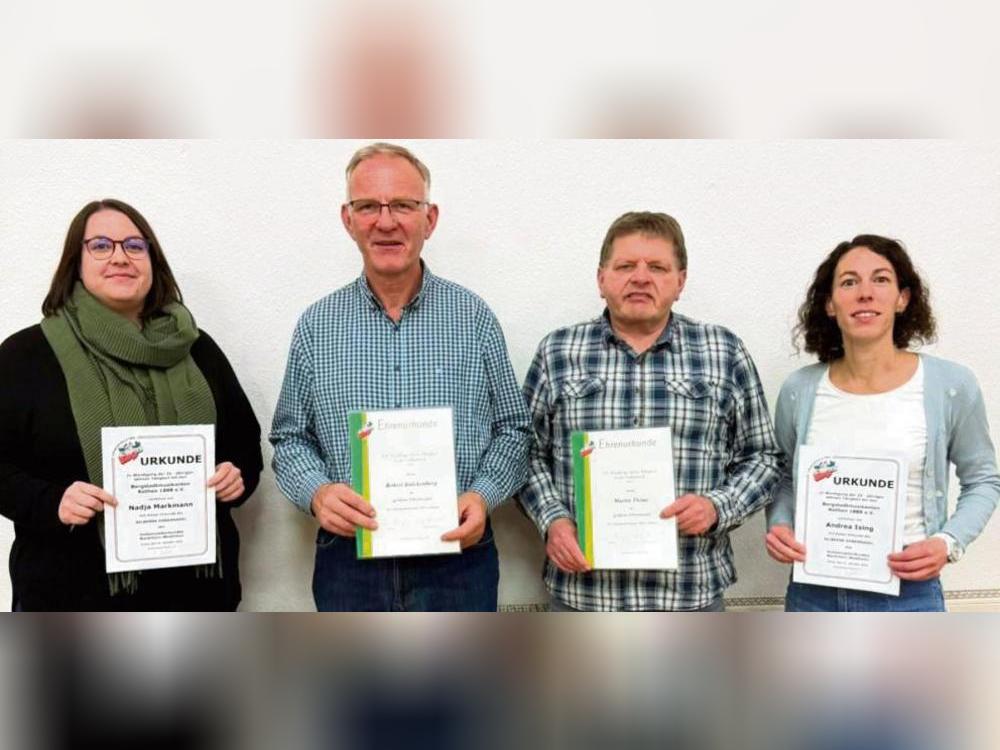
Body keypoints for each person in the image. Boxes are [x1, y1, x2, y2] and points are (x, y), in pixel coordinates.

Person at [269, 142, 530, 611]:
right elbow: (289, 438)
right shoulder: (316, 325)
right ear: (348, 220)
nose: (385, 221)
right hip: (349, 562)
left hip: (458, 560)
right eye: (368, 206)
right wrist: (317, 492)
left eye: (403, 205)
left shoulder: (473, 318)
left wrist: (483, 494)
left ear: (429, 219)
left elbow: (514, 429)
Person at [0, 199, 262, 611]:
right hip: (71, 599)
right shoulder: (26, 355)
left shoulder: (198, 348)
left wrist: (236, 476)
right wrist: (52, 502)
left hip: (196, 598)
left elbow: (245, 444)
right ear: (76, 262)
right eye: (101, 245)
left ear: (152, 261)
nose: (120, 256)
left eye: (135, 246)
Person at [520, 211, 781, 611]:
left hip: (690, 595)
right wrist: (552, 520)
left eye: (657, 267)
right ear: (601, 278)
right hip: (584, 595)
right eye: (625, 266)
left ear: (680, 281)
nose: (641, 277)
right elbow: (525, 452)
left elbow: (763, 457)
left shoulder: (723, 351)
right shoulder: (558, 352)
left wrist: (717, 507)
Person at [765, 234, 1000, 611]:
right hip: (814, 592)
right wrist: (778, 524)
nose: (865, 293)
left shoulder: (951, 386)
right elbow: (785, 478)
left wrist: (948, 542)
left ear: (902, 298)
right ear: (829, 304)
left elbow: (984, 479)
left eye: (880, 279)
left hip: (911, 595)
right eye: (848, 282)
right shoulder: (799, 390)